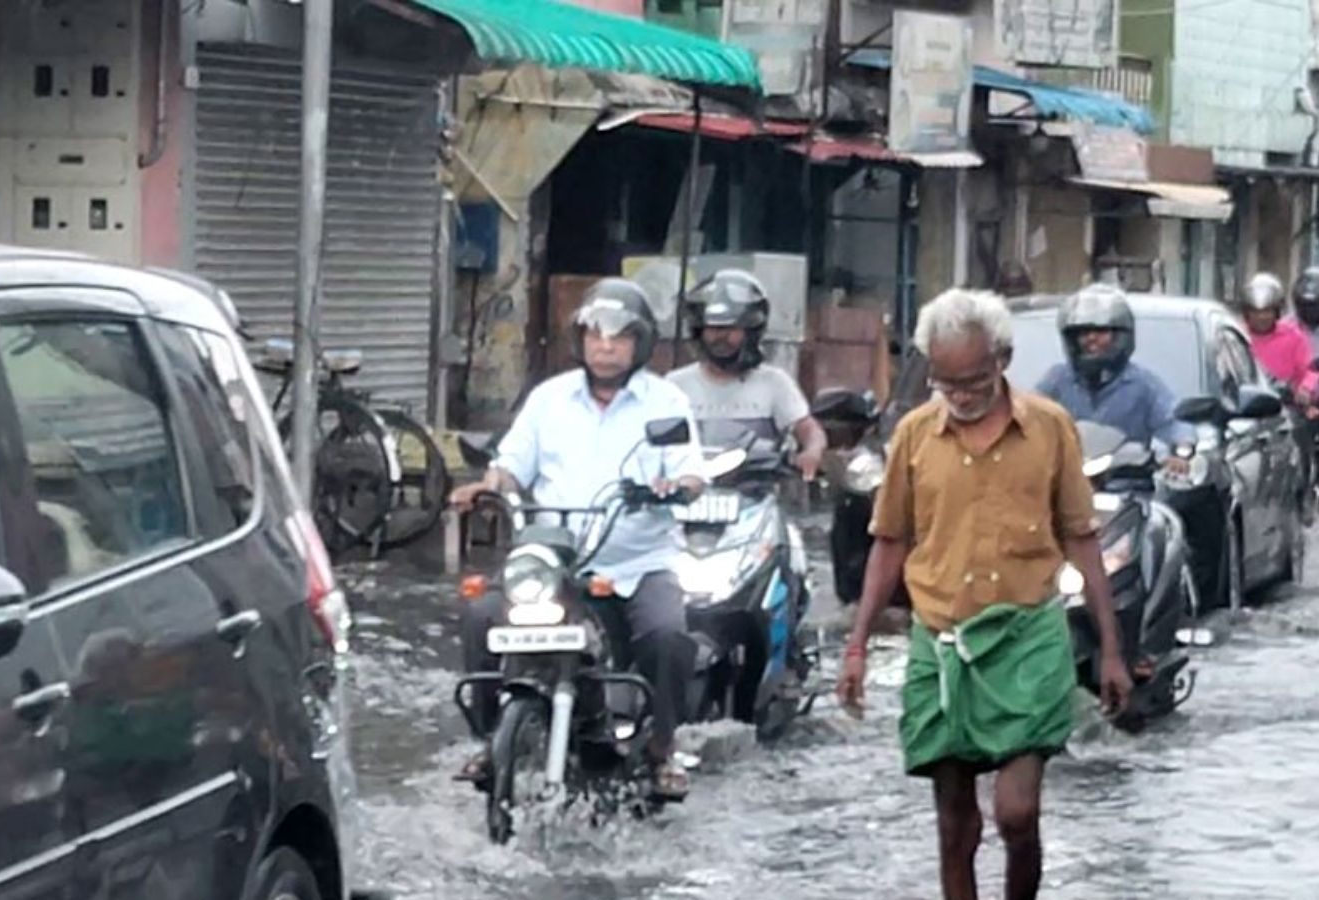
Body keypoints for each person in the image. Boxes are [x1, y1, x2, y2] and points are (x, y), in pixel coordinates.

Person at [836, 289, 1131, 900]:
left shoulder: (1049, 428)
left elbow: (1081, 539)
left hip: (1028, 639)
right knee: (955, 825)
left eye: (972, 381)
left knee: (1017, 814)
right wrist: (857, 645)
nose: (962, 397)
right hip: (942, 644)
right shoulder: (916, 437)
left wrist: (1110, 649)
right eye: (947, 384)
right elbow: (888, 543)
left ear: (1002, 359)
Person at [448, 278, 705, 799]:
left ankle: (661, 748)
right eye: (594, 334)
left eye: (618, 336)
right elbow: (512, 466)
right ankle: (491, 735)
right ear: (580, 340)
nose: (605, 346)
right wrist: (487, 485)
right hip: (554, 564)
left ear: (641, 342)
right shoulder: (549, 399)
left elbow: (691, 473)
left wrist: (675, 486)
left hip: (637, 563)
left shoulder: (667, 401)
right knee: (480, 614)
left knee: (667, 633)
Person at [668, 269, 828, 479]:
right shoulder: (675, 386)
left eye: (731, 329)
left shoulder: (774, 382)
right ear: (699, 331)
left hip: (759, 495)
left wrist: (811, 452)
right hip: (689, 497)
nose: (721, 337)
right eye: (714, 329)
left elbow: (808, 430)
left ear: (751, 331)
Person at [1034, 284, 1195, 455]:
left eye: (1101, 331)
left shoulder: (1143, 384)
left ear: (1121, 336)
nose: (1091, 339)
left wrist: (1182, 448)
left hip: (1127, 478)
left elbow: (1172, 421)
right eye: (1084, 332)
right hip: (1067, 475)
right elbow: (1028, 412)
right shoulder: (1057, 380)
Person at [1239, 272, 1319, 401]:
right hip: (1242, 408)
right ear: (1247, 313)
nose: (1261, 317)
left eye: (1267, 311)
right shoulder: (1237, 336)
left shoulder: (1294, 337)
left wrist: (1305, 389)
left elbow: (1309, 371)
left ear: (1276, 312)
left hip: (1284, 408)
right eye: (1256, 311)